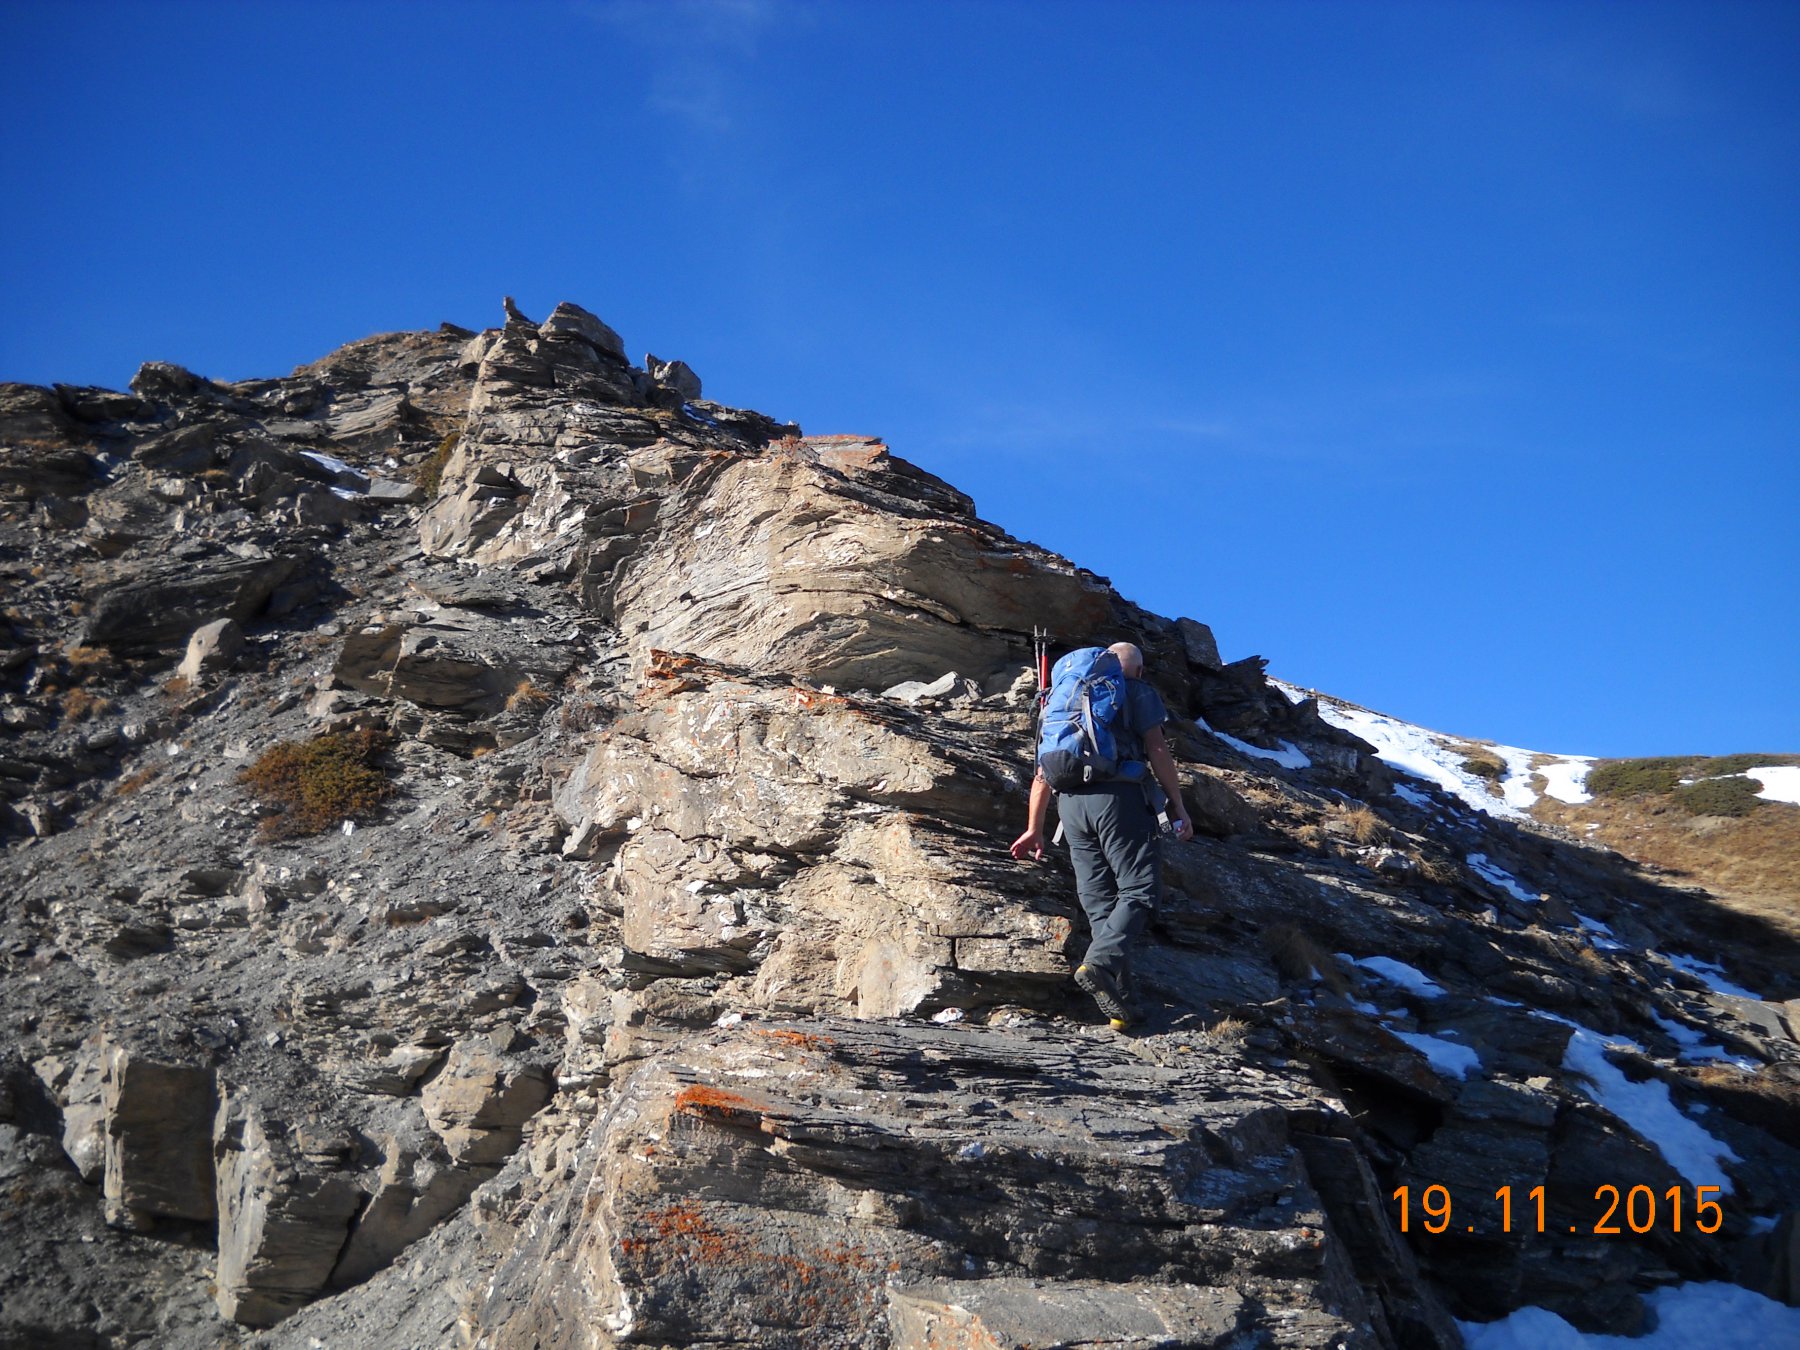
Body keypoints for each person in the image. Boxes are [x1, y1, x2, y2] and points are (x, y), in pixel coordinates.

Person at [1010, 641, 1193, 1027]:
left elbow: (1042, 771)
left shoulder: (1061, 700)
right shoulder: (1136, 691)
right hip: (1119, 798)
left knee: (1099, 905)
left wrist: (1034, 829)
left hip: (1070, 807)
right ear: (1137, 670)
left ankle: (1121, 1006)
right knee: (1140, 890)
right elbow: (1157, 749)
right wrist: (1177, 803)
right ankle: (1099, 966)